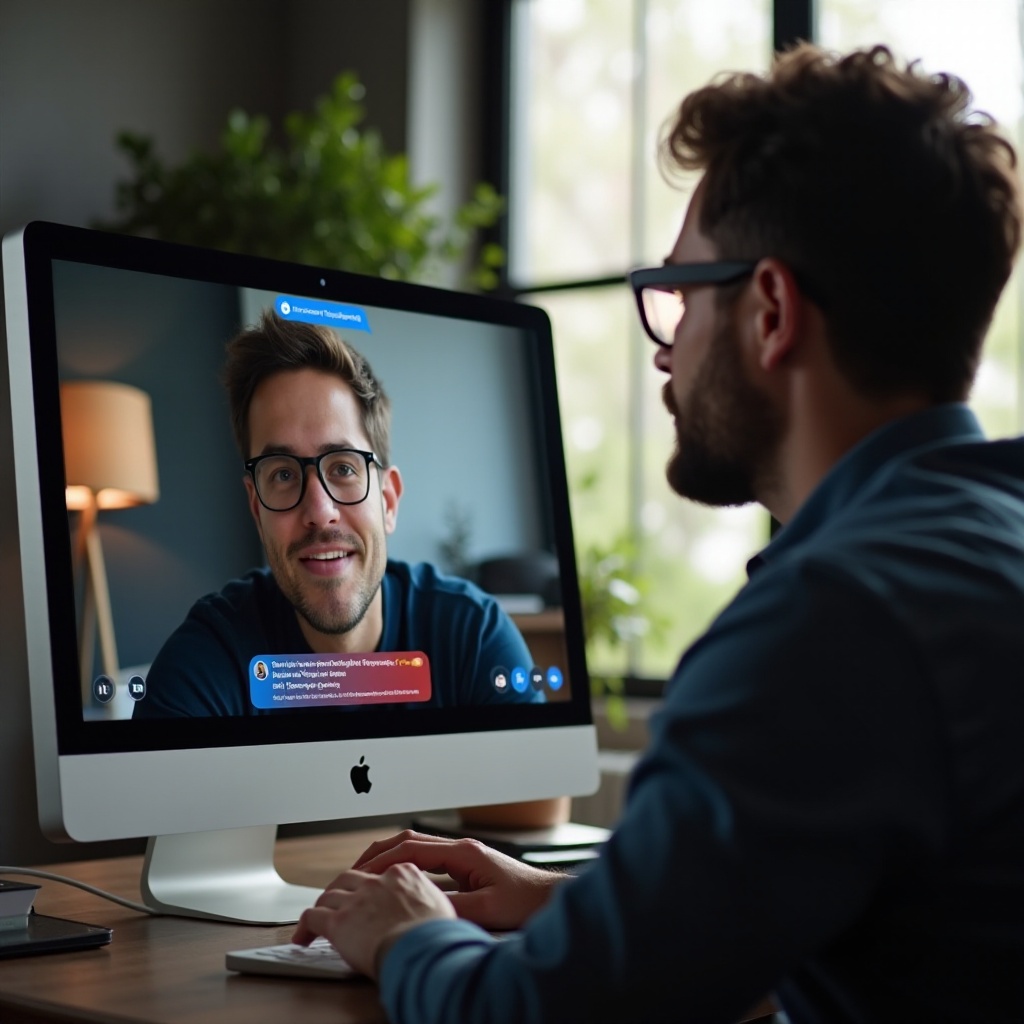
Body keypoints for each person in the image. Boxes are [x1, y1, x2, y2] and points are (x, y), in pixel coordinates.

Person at [291, 43, 1024, 1023]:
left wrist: (406, 932)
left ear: (768, 310)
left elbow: (540, 1017)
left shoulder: (832, 620)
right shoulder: (984, 546)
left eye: (681, 292)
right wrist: (570, 899)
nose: (663, 348)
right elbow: (856, 902)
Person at [135, 311, 541, 717]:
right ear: (257, 509)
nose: (319, 511)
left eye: (344, 468)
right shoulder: (207, 661)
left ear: (389, 500)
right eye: (282, 474)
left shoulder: (473, 635)